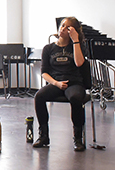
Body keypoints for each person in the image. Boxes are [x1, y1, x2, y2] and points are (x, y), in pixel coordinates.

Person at [33, 17, 88, 151]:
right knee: (39, 96)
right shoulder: (48, 48)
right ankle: (44, 135)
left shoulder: (78, 45)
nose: (63, 29)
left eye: (67, 27)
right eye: (62, 25)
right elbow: (44, 72)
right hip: (56, 83)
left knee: (75, 98)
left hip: (75, 83)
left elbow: (79, 63)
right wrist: (56, 83)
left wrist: (75, 41)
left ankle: (78, 138)